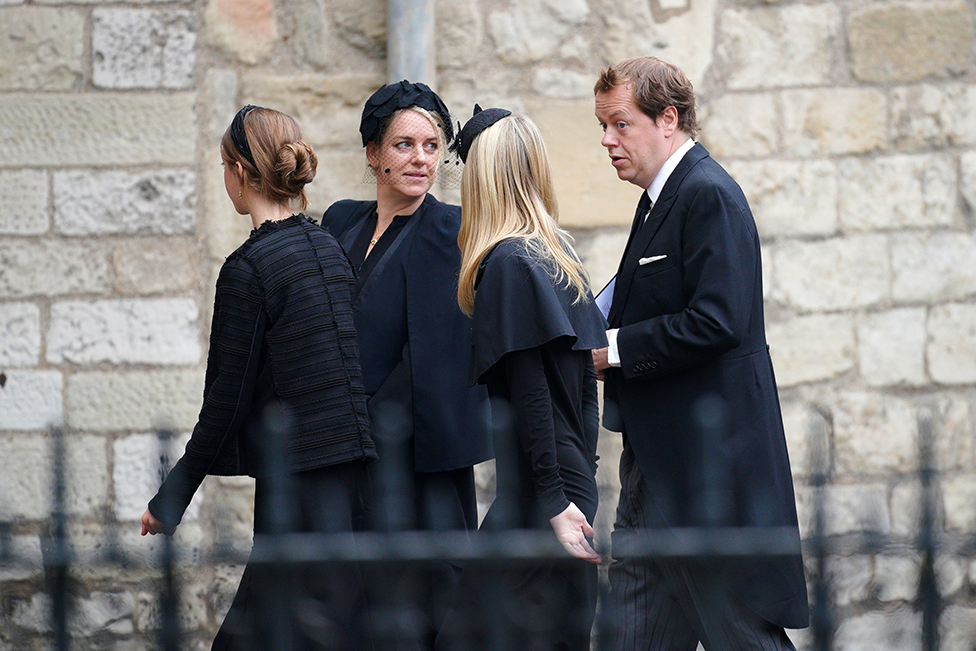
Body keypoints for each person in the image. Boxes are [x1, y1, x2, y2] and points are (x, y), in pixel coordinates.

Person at [590, 57, 809, 650]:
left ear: (668, 119)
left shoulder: (709, 193)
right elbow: (633, 300)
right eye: (602, 126)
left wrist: (610, 352)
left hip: (701, 472)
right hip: (653, 463)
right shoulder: (658, 197)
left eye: (619, 124)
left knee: (740, 632)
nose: (608, 140)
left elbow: (718, 320)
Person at [141, 105, 376, 650]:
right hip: (356, 480)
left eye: (225, 166)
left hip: (300, 484)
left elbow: (226, 400)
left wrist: (172, 495)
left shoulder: (248, 269)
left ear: (240, 172)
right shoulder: (329, 249)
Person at [320, 81, 492, 650]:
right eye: (404, 145)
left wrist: (362, 424)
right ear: (373, 153)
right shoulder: (341, 223)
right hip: (343, 461)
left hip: (416, 462)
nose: (422, 159)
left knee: (421, 614)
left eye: (432, 145)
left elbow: (434, 354)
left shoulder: (451, 229)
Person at [436, 108, 607, 651]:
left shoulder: (508, 262)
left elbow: (532, 392)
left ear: (482, 177)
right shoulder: (558, 253)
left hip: (540, 489)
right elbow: (585, 386)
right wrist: (583, 479)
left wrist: (555, 503)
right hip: (563, 475)